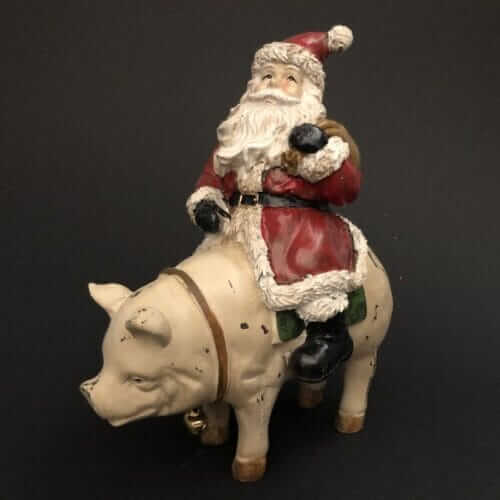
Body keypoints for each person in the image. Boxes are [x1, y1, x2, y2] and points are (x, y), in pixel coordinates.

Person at [186, 25, 368, 383]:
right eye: (267, 76)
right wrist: (206, 203)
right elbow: (211, 178)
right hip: (236, 226)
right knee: (202, 277)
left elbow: (346, 190)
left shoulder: (319, 140)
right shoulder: (236, 137)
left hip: (295, 228)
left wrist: (319, 151)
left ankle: (329, 334)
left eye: (289, 78)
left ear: (308, 91)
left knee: (311, 276)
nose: (274, 85)